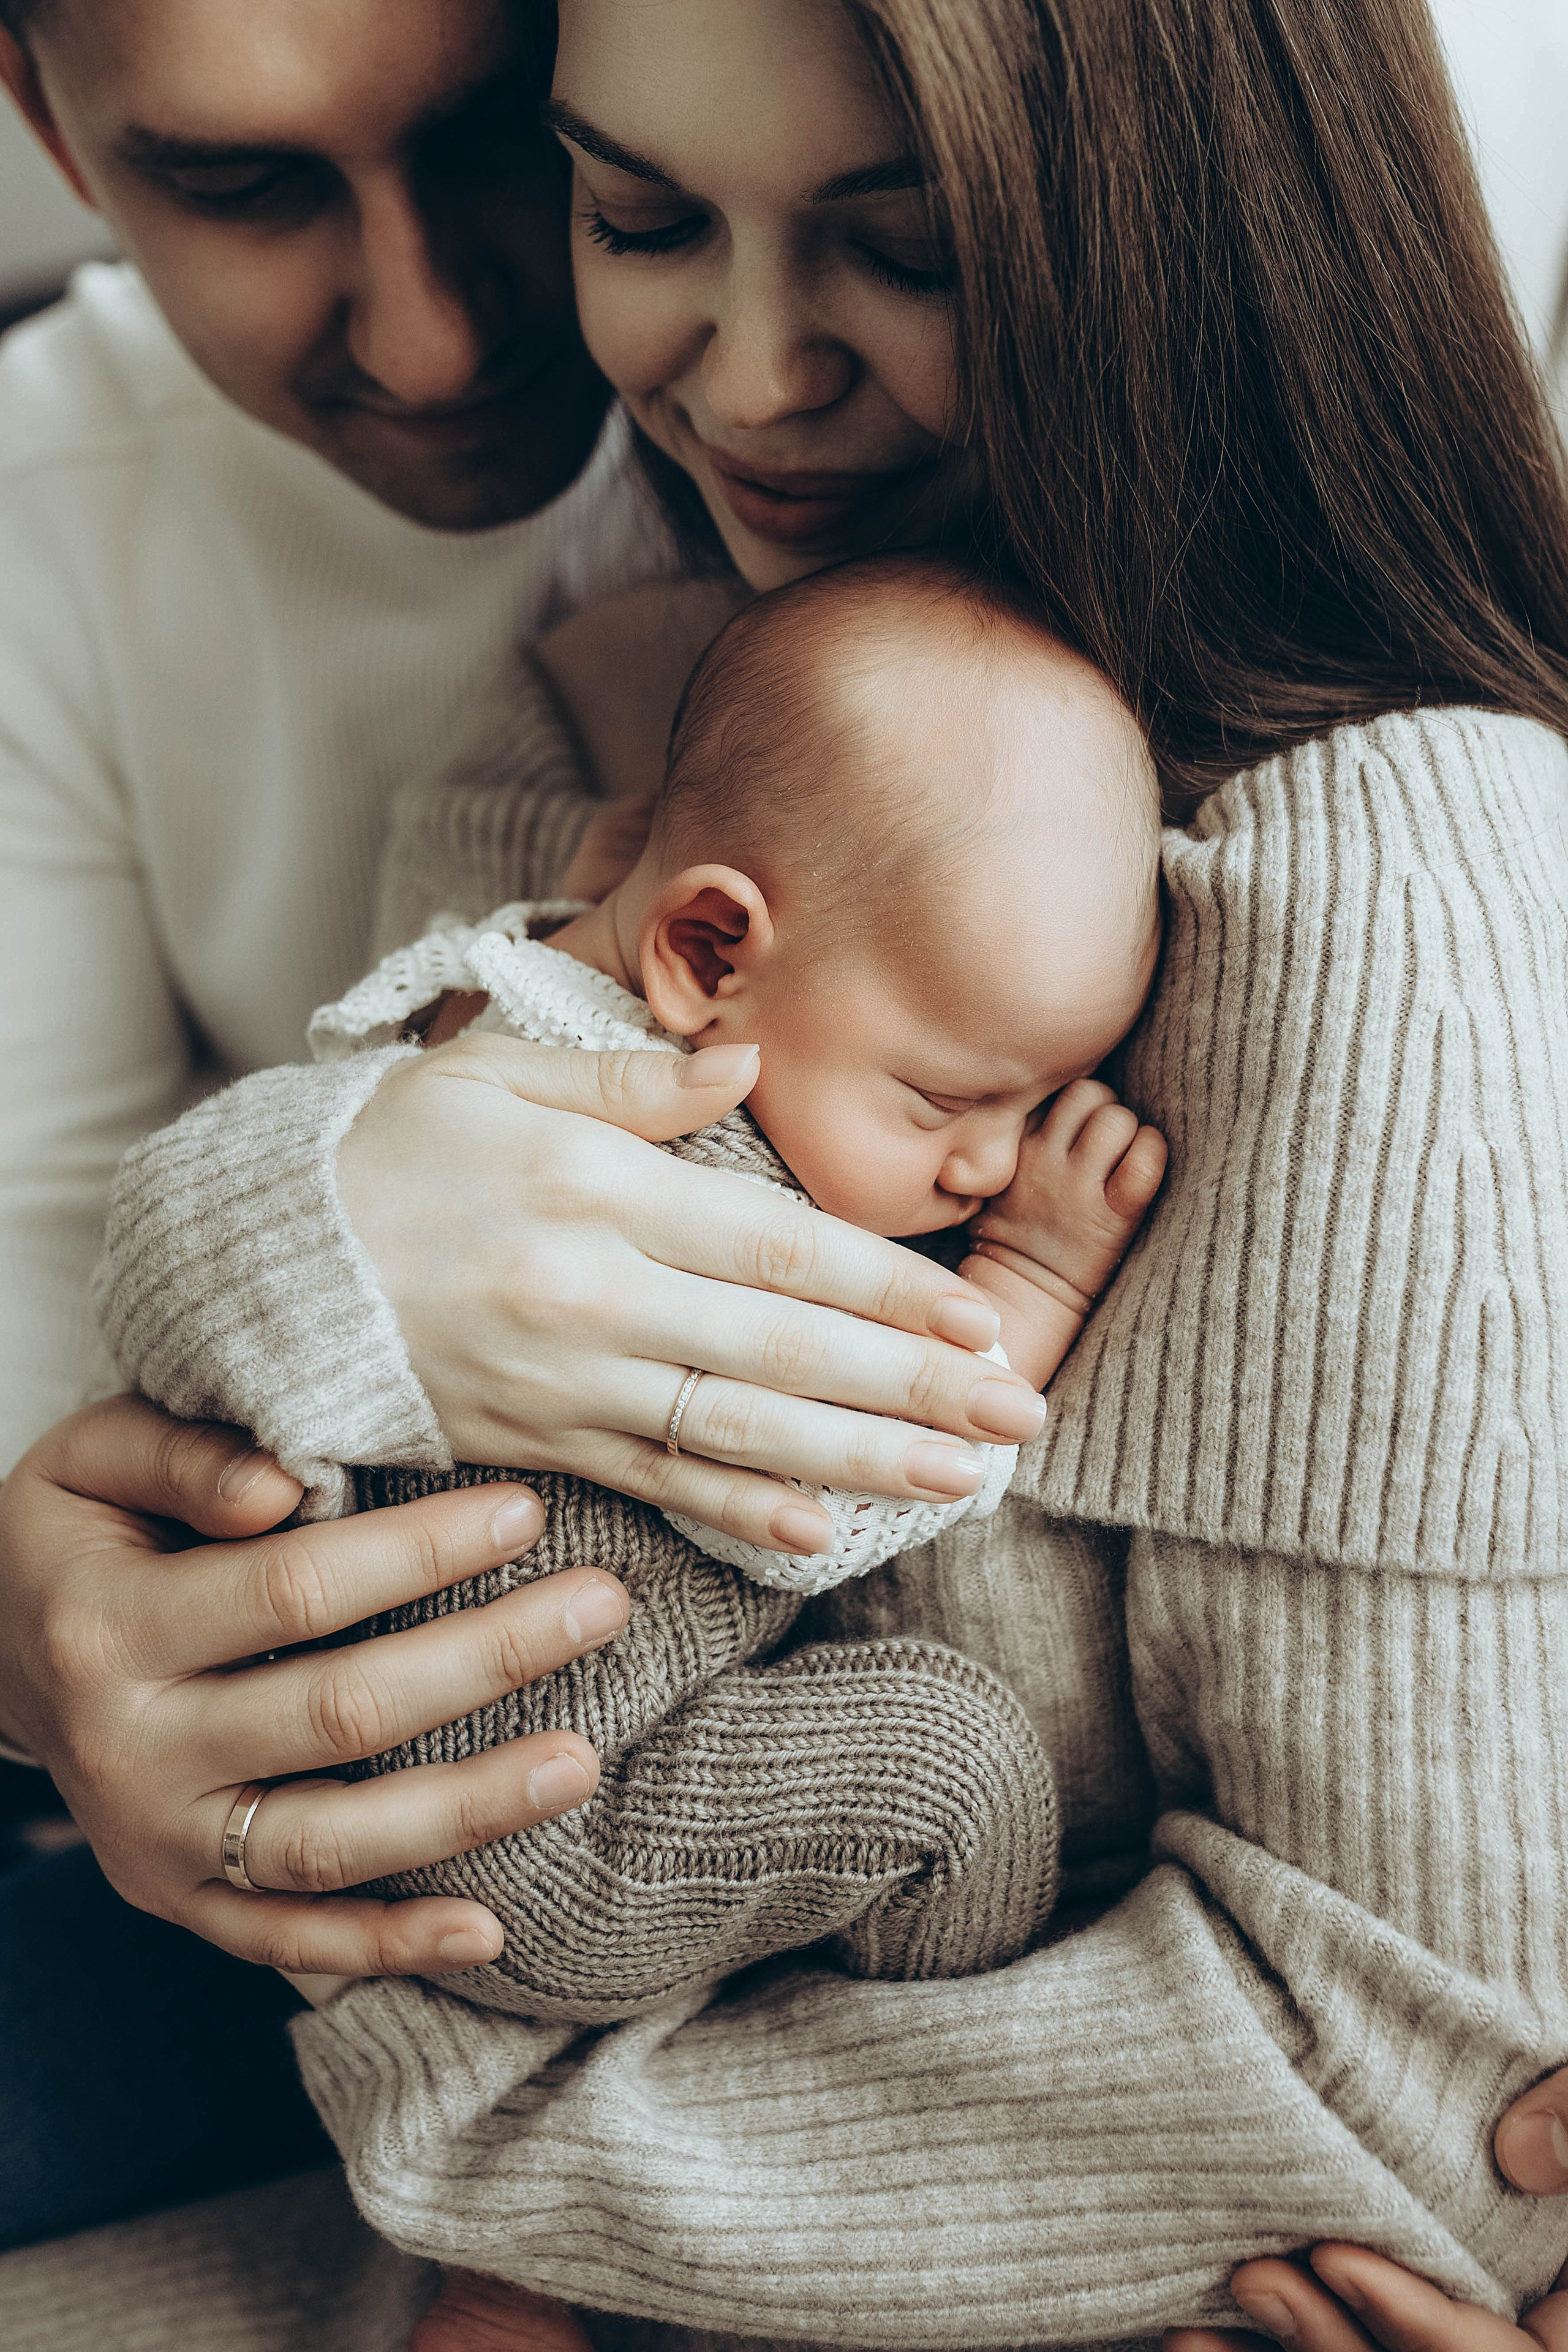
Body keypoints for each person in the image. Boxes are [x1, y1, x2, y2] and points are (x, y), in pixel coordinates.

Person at [2, 0, 1568, 2347]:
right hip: (512, 2086)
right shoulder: (577, 722)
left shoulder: (1390, 889)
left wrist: (500, 2182)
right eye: (631, 212)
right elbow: (157, 1326)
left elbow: (1412, 2080)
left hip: (767, 2182)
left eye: (904, 246)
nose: (739, 382)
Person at [0, 0, 1045, 2248]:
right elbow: (30, 1337)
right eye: (248, 183)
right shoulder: (40, 531)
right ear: (46, 131)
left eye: (513, 155)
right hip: (366, 1775)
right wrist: (42, 1651)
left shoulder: (877, 447)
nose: (444, 327)